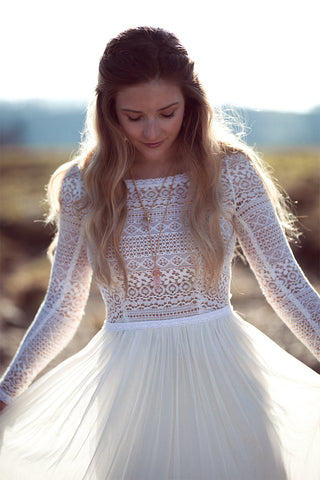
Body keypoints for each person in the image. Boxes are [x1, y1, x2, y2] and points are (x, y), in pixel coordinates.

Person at [0, 26, 319, 480]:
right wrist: (7, 389)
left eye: (167, 112)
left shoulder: (230, 172)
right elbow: (60, 306)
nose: (152, 131)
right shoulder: (82, 185)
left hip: (224, 377)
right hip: (126, 392)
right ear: (108, 111)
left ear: (191, 103)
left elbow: (285, 287)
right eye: (133, 116)